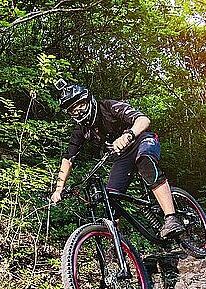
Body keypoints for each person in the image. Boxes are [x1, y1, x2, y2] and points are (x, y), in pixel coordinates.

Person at [50, 80, 185, 239]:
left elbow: (144, 120)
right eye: (73, 110)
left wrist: (129, 135)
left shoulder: (108, 107)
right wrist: (59, 188)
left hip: (142, 140)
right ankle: (117, 243)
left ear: (89, 100)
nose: (78, 112)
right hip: (121, 157)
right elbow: (68, 158)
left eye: (80, 105)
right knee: (110, 197)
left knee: (145, 161)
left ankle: (171, 217)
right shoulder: (81, 130)